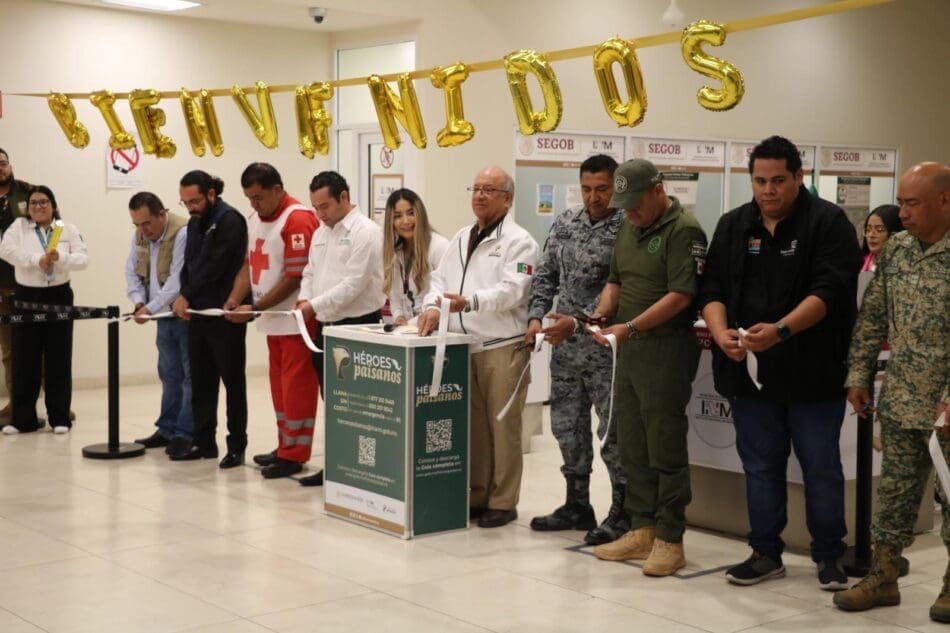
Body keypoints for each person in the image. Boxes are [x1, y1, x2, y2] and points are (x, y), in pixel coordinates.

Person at [697, 135, 862, 589]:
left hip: (814, 372)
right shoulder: (734, 224)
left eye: (778, 181)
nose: (768, 190)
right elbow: (711, 289)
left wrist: (781, 331)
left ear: (798, 177)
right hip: (750, 375)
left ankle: (829, 555)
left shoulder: (828, 222)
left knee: (820, 467)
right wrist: (720, 333)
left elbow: (830, 292)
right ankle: (765, 553)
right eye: (759, 181)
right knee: (760, 466)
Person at [834, 162, 950, 622]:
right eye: (900, 202)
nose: (902, 213)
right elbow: (873, 316)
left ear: (944, 201)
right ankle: (883, 576)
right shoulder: (898, 249)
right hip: (902, 398)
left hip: (945, 405)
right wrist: (858, 374)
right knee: (895, 495)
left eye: (912, 203)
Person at [586, 159, 707, 576]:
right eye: (624, 206)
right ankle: (642, 528)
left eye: (636, 204)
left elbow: (681, 295)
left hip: (665, 351)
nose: (631, 213)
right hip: (629, 351)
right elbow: (615, 280)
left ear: (658, 189)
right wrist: (603, 313)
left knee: (664, 445)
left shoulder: (683, 230)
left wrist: (631, 326)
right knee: (632, 444)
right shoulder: (628, 225)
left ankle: (670, 537)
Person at [418, 166, 540, 528]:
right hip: (463, 346)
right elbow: (438, 280)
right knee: (475, 429)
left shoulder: (520, 242)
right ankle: (478, 494)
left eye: (490, 189)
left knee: (503, 429)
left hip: (502, 346)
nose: (480, 195)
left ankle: (504, 502)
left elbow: (513, 291)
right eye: (476, 188)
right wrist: (431, 306)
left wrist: (469, 302)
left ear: (508, 198)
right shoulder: (460, 237)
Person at [525, 154, 629, 545]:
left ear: (616, 186)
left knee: (612, 433)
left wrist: (581, 321)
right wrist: (536, 316)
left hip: (605, 350)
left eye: (602, 189)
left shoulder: (628, 228)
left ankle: (622, 511)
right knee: (567, 428)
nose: (593, 197)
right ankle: (577, 505)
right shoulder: (566, 222)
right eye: (586, 189)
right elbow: (545, 274)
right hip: (566, 349)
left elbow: (624, 290)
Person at [227, 162, 319, 479]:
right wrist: (236, 298)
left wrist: (255, 307)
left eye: (259, 197)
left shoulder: (298, 219)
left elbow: (296, 276)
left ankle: (295, 454)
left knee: (297, 389)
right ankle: (284, 446)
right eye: (249, 198)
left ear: (277, 189)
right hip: (272, 322)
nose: (254, 204)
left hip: (295, 322)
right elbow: (248, 266)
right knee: (279, 388)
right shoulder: (254, 219)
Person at [295, 170, 385, 486]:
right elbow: (309, 272)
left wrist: (313, 305)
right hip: (325, 327)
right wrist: (305, 298)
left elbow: (354, 284)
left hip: (358, 326)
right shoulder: (322, 232)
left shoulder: (366, 232)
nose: (320, 214)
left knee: (358, 405)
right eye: (315, 207)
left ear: (343, 197)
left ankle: (363, 468)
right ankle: (336, 466)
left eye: (325, 206)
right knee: (333, 402)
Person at [171, 170, 249, 469]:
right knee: (202, 383)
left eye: (195, 201)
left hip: (224, 314)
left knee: (233, 383)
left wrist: (186, 294)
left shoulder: (230, 220)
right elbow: (190, 265)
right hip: (198, 314)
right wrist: (185, 295)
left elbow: (216, 265)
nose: (190, 207)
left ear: (211, 194)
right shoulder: (194, 223)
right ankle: (204, 442)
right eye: (185, 202)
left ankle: (236, 446)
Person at [0, 185, 87, 434]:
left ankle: (59, 418)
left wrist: (62, 258)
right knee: (23, 357)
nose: (38, 207)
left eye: (44, 202)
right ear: (27, 207)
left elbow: (83, 259)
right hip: (26, 296)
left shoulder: (66, 229)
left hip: (59, 295)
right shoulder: (18, 227)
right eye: (34, 203)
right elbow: (6, 251)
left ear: (53, 205)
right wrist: (35, 259)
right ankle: (22, 419)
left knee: (59, 357)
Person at [124, 191, 193, 457]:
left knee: (189, 377)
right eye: (137, 224)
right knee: (169, 374)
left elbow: (177, 280)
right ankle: (167, 429)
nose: (143, 230)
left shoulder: (182, 232)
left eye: (147, 223)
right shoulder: (140, 235)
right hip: (160, 317)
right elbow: (131, 271)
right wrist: (139, 302)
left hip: (182, 315)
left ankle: (185, 433)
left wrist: (148, 308)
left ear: (162, 215)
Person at [382, 188, 449, 325]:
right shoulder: (395, 252)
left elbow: (444, 293)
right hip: (408, 330)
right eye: (398, 216)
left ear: (420, 215)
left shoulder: (439, 246)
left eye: (411, 213)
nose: (406, 221)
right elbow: (395, 295)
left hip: (434, 328)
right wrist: (398, 316)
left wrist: (410, 324)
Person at [0, 148, 31, 422]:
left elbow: (55, 225)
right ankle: (15, 402)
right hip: (2, 286)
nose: (0, 169)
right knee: (9, 350)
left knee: (40, 347)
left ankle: (55, 402)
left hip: (30, 282)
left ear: (9, 165)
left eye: (2, 163)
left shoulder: (29, 192)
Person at [861, 204, 903, 272]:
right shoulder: (859, 264)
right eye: (868, 230)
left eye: (879, 230)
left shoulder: (906, 267)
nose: (871, 235)